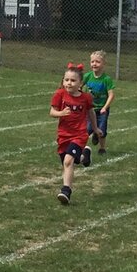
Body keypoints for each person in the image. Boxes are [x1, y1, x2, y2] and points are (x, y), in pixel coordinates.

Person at [50, 63, 94, 204]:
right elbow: (52, 112)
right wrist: (61, 113)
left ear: (80, 83)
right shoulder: (59, 94)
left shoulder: (86, 98)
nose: (69, 83)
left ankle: (66, 191)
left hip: (79, 134)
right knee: (69, 161)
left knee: (68, 161)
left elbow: (90, 112)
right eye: (66, 80)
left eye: (73, 80)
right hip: (64, 135)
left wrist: (96, 128)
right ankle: (84, 157)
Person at [83, 50, 116, 154]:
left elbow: (111, 95)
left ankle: (102, 148)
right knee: (87, 129)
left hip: (102, 109)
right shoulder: (87, 76)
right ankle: (82, 147)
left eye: (97, 62)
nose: (94, 64)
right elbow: (79, 87)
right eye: (92, 61)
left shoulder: (106, 79)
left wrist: (105, 107)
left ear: (103, 64)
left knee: (102, 130)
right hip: (90, 109)